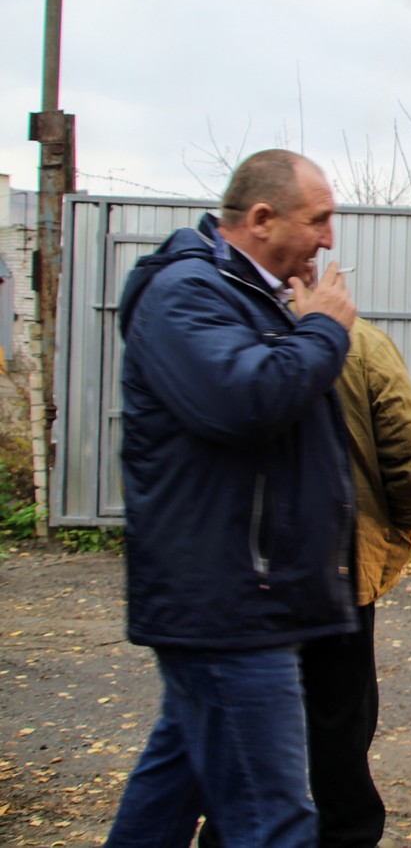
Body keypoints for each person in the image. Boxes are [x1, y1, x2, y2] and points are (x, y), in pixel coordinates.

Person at [105, 150, 357, 848]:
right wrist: (324, 330)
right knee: (275, 822)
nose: (330, 238)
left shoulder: (247, 296)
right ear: (261, 219)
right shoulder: (186, 295)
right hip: (227, 606)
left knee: (166, 799)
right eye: (320, 220)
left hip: (238, 600)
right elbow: (247, 401)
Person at [297, 263, 411, 848]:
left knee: (246, 718)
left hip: (252, 575)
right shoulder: (365, 344)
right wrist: (397, 528)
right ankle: (345, 833)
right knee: (342, 715)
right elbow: (410, 451)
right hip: (342, 566)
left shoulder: (238, 339)